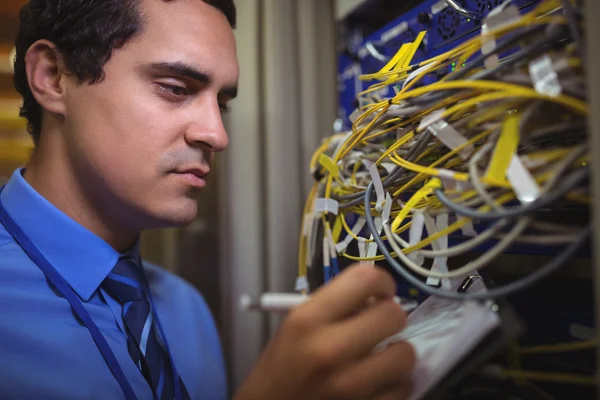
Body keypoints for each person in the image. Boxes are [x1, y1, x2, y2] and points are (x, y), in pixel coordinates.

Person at [0, 0, 416, 399]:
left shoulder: (187, 312)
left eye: (222, 104)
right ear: (53, 77)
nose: (217, 136)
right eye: (176, 88)